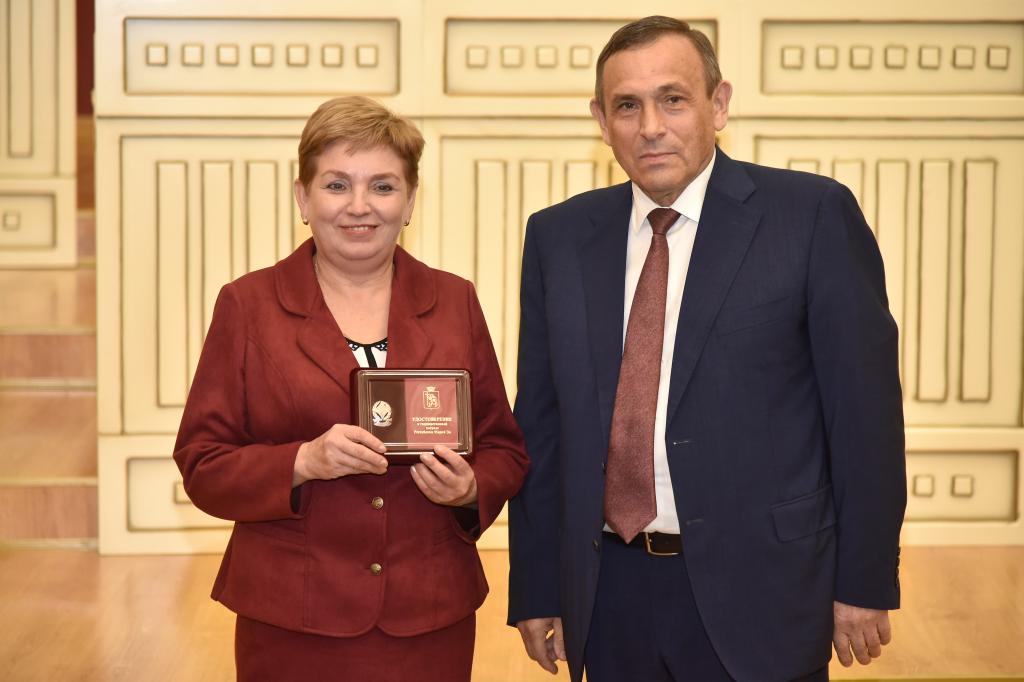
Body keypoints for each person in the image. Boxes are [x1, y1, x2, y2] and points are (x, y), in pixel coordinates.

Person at [508, 16, 906, 682]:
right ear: (601, 121)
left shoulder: (810, 216)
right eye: (627, 106)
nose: (650, 127)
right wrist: (539, 586)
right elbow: (542, 428)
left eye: (673, 99)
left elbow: (864, 418)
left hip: (765, 590)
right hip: (609, 597)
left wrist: (863, 579)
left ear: (718, 104)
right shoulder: (558, 237)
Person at [173, 95, 529, 682]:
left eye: (383, 187)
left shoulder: (455, 300)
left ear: (410, 201)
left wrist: (470, 488)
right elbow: (203, 463)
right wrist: (302, 461)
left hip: (428, 614)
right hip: (292, 618)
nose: (360, 206)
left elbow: (503, 449)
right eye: (337, 185)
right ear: (302, 198)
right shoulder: (248, 305)